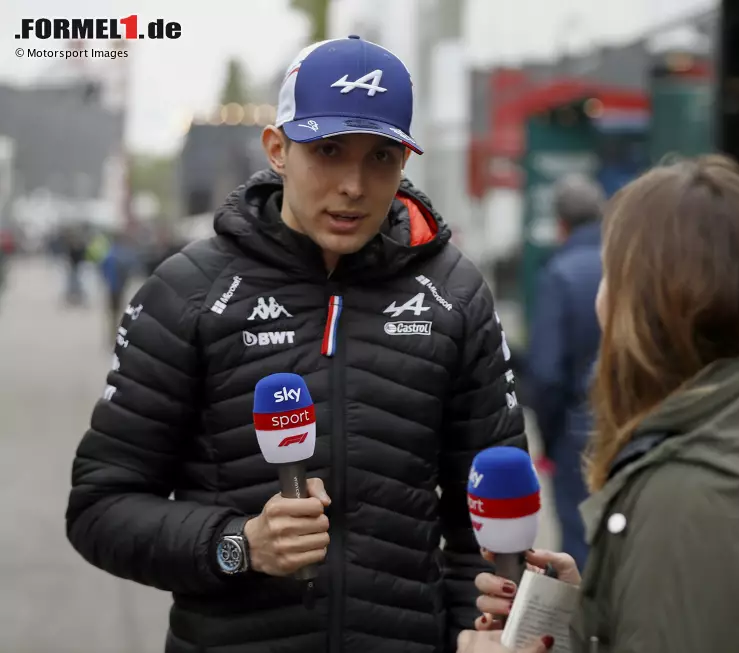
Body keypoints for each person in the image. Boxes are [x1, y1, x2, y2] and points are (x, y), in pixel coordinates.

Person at [66, 35, 525, 653]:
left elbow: (483, 529)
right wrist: (237, 544)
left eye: (382, 157)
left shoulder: (455, 294)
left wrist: (479, 631)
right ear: (277, 150)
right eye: (329, 151)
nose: (354, 186)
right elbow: (100, 508)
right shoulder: (188, 293)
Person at [459, 154, 739, 652]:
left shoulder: (691, 497)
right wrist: (594, 610)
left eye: (612, 274)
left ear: (652, 307)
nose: (600, 300)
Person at [524, 173, 605, 570]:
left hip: (578, 432)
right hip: (635, 425)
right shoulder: (628, 263)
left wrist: (552, 437)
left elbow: (546, 373)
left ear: (561, 224)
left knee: (579, 541)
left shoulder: (559, 274)